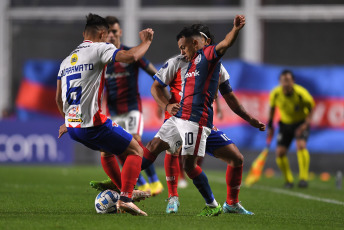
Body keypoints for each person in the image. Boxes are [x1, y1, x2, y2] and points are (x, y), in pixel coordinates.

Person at [141, 15, 264, 216]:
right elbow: (157, 87)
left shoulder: (213, 63)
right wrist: (166, 105)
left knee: (235, 159)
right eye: (181, 47)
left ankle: (228, 204)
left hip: (199, 121)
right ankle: (171, 197)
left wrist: (249, 118)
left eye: (185, 46)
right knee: (165, 150)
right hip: (179, 116)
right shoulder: (178, 61)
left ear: (202, 42)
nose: (182, 51)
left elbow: (229, 96)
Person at [55, 13, 154, 216]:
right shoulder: (100, 47)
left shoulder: (65, 62)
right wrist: (146, 41)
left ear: (84, 33)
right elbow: (132, 57)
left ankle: (125, 191)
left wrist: (67, 120)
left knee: (108, 151)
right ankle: (125, 198)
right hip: (93, 125)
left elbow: (58, 98)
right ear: (102, 34)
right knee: (136, 150)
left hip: (73, 128)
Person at [89, 16, 164, 196]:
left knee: (135, 142)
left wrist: (164, 96)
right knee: (118, 148)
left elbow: (155, 73)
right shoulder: (104, 58)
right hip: (113, 111)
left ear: (120, 32)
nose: (112, 35)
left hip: (132, 108)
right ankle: (141, 183)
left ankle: (154, 182)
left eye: (115, 31)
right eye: (108, 33)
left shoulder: (131, 53)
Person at [267, 70, 315, 188]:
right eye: (284, 81)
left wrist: (305, 124)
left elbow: (311, 108)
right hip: (285, 124)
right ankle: (289, 180)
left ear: (293, 81)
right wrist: (270, 125)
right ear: (280, 82)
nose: (286, 83)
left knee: (301, 146)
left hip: (300, 123)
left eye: (288, 80)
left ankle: (303, 179)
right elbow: (272, 109)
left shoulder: (301, 93)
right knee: (280, 153)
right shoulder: (275, 94)